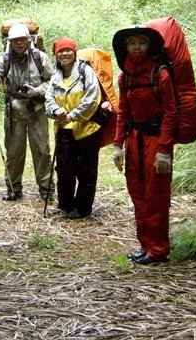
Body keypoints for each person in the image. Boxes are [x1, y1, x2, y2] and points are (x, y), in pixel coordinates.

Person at [111, 27, 178, 265]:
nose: (137, 47)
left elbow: (171, 113)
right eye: (132, 43)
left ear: (150, 46)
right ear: (125, 47)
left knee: (156, 195)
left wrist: (164, 150)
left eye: (142, 42)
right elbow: (124, 112)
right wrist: (117, 145)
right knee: (137, 192)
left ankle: (158, 249)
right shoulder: (125, 76)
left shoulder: (161, 74)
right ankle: (145, 245)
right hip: (134, 139)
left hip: (156, 139)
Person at [0, 23, 54, 201]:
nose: (19, 43)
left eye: (22, 40)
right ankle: (13, 189)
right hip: (14, 112)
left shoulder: (40, 57)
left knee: (42, 151)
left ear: (28, 40)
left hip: (37, 109)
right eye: (15, 40)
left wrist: (36, 91)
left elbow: (52, 82)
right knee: (13, 152)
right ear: (9, 42)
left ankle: (46, 191)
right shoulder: (4, 60)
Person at [44, 37, 104, 219]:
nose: (64, 54)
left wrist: (73, 115)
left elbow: (92, 98)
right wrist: (56, 111)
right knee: (64, 170)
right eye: (60, 51)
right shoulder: (56, 75)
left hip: (87, 129)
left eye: (68, 50)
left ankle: (83, 208)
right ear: (55, 55)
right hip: (64, 128)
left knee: (86, 171)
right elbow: (49, 99)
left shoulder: (86, 71)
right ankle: (65, 205)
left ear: (74, 51)